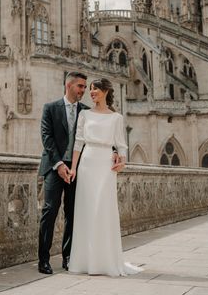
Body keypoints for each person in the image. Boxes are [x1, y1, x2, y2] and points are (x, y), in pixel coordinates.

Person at [68, 78, 142, 277]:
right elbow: (78, 143)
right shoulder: (84, 114)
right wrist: (73, 168)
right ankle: (84, 261)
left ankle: (104, 261)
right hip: (87, 163)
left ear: (106, 91)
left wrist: (122, 160)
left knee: (103, 210)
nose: (92, 93)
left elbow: (121, 144)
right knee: (86, 211)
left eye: (95, 90)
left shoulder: (116, 117)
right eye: (90, 90)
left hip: (105, 165)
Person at [37, 72, 89, 275]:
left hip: (77, 168)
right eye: (80, 86)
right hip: (54, 167)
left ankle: (68, 256)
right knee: (49, 211)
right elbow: (46, 137)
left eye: (85, 87)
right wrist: (59, 165)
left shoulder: (86, 111)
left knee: (72, 213)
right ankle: (43, 259)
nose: (83, 90)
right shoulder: (50, 108)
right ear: (69, 85)